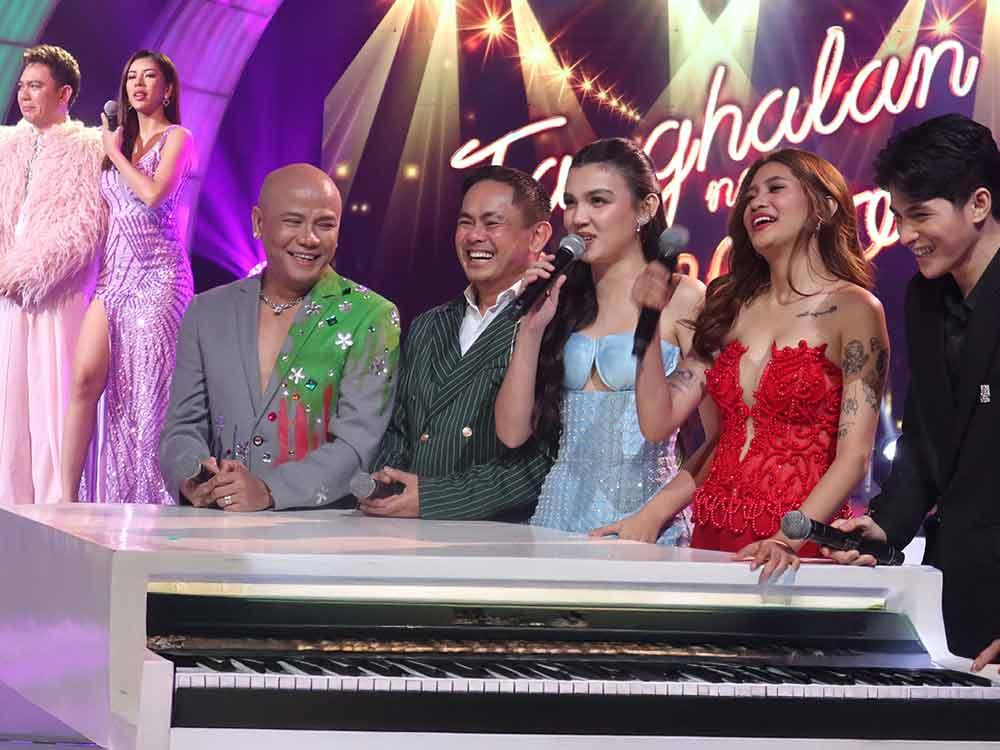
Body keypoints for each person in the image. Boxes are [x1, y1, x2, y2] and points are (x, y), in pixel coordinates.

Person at [618, 148, 888, 582]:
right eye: (749, 196)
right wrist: (648, 323)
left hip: (795, 545)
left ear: (824, 207)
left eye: (775, 189)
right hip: (713, 535)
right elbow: (660, 422)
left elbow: (854, 456)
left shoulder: (854, 309)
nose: (757, 202)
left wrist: (785, 540)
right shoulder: (728, 306)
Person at [822, 114, 1000, 669]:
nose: (903, 235)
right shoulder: (924, 298)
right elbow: (924, 436)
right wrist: (886, 526)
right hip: (956, 595)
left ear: (978, 203)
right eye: (898, 216)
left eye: (920, 215)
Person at [494, 138, 704, 544]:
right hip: (555, 519)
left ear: (646, 208)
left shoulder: (685, 298)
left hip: (643, 527)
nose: (578, 218)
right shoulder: (561, 300)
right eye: (571, 203)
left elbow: (720, 438)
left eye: (598, 201)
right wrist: (530, 330)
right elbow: (512, 433)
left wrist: (654, 514)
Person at [158, 163, 399, 511]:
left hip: (323, 531)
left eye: (325, 224)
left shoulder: (370, 315)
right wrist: (193, 477)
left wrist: (268, 490)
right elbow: (182, 427)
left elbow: (358, 445)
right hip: (218, 525)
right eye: (293, 221)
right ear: (258, 222)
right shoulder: (206, 312)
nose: (309, 238)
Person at [361, 166, 554, 520]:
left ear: (537, 236)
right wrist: (384, 486)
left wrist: (435, 498)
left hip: (498, 534)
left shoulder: (553, 324)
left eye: (492, 223)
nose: (474, 236)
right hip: (405, 529)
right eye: (466, 222)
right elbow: (400, 430)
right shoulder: (428, 325)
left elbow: (546, 461)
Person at [61, 50, 196, 504]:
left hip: (160, 278)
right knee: (84, 379)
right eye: (132, 77)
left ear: (168, 89)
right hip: (114, 278)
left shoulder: (178, 138)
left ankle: (151, 499)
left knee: (146, 393)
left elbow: (155, 195)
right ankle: (66, 498)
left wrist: (115, 155)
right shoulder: (118, 140)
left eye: (149, 76)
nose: (138, 84)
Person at [0, 45, 106, 505]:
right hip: (7, 293)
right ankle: (9, 504)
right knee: (8, 400)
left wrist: (27, 271)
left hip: (57, 292)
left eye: (36, 86)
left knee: (53, 396)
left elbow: (85, 226)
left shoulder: (88, 149)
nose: (25, 95)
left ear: (63, 94)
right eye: (22, 86)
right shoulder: (5, 145)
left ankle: (57, 503)